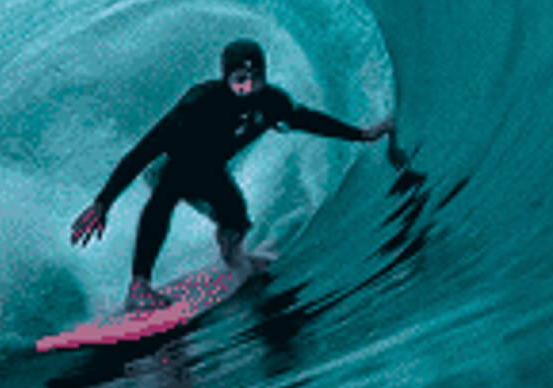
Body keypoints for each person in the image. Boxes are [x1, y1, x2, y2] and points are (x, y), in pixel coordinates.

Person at [71, 38, 397, 310]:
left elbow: (308, 120)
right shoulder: (198, 104)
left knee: (237, 220)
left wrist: (363, 134)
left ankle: (233, 258)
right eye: (239, 80)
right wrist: (103, 202)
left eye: (255, 79)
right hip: (173, 166)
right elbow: (143, 151)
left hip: (211, 171)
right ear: (226, 78)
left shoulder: (271, 102)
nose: (247, 88)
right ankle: (139, 286)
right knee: (164, 200)